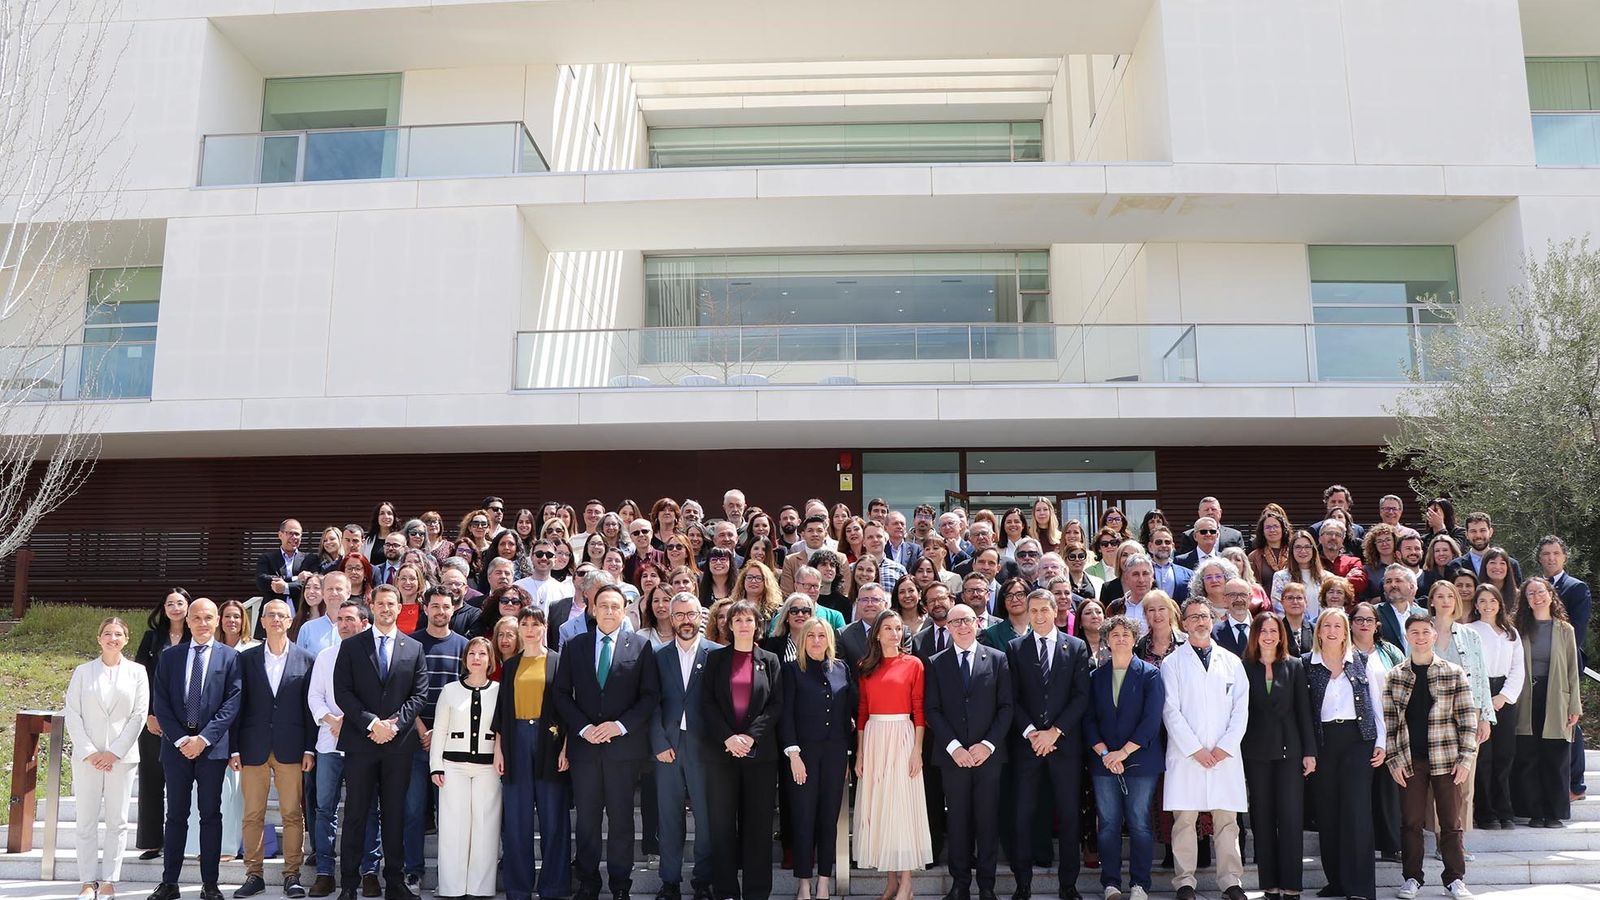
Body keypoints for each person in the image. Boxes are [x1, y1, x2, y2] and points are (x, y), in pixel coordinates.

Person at [553, 584, 662, 900]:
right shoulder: (575, 646)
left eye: (616, 606)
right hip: (585, 748)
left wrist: (620, 726)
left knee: (621, 820)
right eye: (604, 606)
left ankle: (620, 885)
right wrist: (584, 727)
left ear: (625, 610)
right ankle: (588, 882)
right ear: (593, 608)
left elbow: (650, 695)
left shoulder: (640, 647)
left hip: (623, 751)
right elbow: (561, 693)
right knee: (587, 820)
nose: (610, 611)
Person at [332, 584, 430, 900]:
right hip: (361, 742)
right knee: (357, 814)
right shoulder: (352, 646)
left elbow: (419, 694)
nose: (387, 608)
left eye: (392, 603)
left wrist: (395, 724)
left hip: (398, 745)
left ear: (400, 608)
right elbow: (342, 692)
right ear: (372, 606)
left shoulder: (413, 648)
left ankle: (395, 882)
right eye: (381, 603)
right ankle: (349, 884)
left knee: (394, 814)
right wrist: (372, 723)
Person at [147, 598, 243, 900]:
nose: (203, 623)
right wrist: (180, 740)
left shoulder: (230, 658)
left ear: (217, 621)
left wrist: (203, 739)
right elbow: (160, 701)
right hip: (176, 748)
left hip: (212, 749)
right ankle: (169, 883)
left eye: (208, 618)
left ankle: (210, 883)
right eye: (197, 618)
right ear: (187, 621)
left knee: (210, 814)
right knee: (175, 815)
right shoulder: (171, 656)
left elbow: (232, 703)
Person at [1383, 616, 1479, 900]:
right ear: (1407, 636)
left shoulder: (1453, 672)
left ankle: (1454, 880)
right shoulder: (1396, 675)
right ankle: (1412, 878)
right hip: (1410, 760)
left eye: (1426, 632)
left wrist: (1465, 758)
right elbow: (1389, 723)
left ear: (1434, 635)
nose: (1421, 637)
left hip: (1447, 757)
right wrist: (1394, 761)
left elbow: (1467, 719)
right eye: (1415, 632)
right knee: (1410, 822)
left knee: (1450, 822)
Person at [1160, 597, 1248, 900]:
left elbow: (1241, 710)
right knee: (1184, 821)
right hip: (1188, 756)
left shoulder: (1232, 662)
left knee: (1227, 821)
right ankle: (1184, 881)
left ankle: (1231, 882)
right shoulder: (1172, 663)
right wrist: (1196, 750)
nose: (1200, 621)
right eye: (1193, 617)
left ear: (1212, 621)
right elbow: (1170, 711)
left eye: (1204, 616)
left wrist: (1223, 748)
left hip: (1224, 756)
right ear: (1184, 624)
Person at [1006, 588, 1092, 900]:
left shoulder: (1076, 647)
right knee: (1023, 815)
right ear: (1027, 613)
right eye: (1034, 611)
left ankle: (1068, 885)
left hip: (1064, 746)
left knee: (1069, 816)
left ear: (1056, 611)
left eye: (1045, 609)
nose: (1040, 616)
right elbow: (1011, 698)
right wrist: (1032, 732)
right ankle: (1022, 883)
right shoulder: (1015, 649)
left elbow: (1081, 696)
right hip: (1027, 746)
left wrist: (1055, 732)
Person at [925, 601, 1012, 900]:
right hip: (953, 759)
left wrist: (987, 745)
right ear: (947, 628)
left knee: (987, 821)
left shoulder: (998, 659)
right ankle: (960, 883)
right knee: (959, 822)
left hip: (989, 757)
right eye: (955, 622)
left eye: (967, 620)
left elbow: (1006, 707)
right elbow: (932, 710)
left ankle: (987, 886)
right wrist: (954, 748)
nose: (962, 626)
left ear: (978, 623)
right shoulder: (935, 662)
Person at [231, 598, 317, 899]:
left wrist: (310, 748)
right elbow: (236, 706)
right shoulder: (246, 659)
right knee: (252, 814)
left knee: (292, 814)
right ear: (262, 621)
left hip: (292, 748)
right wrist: (233, 748)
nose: (277, 620)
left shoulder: (306, 659)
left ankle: (291, 874)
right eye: (271, 615)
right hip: (252, 747)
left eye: (282, 615)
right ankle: (253, 875)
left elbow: (309, 709)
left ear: (290, 621)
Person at [702, 600, 784, 900]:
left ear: (757, 624)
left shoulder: (770, 660)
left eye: (749, 619)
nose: (743, 625)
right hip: (722, 755)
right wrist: (729, 738)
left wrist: (750, 737)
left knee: (758, 826)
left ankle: (756, 892)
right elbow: (707, 703)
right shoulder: (716, 659)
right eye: (737, 620)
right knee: (722, 825)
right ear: (730, 625)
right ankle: (725, 890)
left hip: (760, 756)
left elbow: (776, 705)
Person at [65, 616, 150, 900]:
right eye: (107, 633)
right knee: (86, 820)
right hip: (87, 759)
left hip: (121, 758)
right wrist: (91, 752)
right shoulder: (82, 672)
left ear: (126, 639)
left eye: (118, 634)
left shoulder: (138, 672)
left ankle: (110, 880)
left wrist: (114, 752)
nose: (113, 639)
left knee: (118, 820)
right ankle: (87, 881)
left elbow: (139, 715)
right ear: (99, 638)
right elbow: (73, 714)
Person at [1305, 608, 1387, 900]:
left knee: (1356, 813)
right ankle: (1337, 882)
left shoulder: (1362, 660)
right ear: (1318, 631)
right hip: (1323, 743)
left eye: (1337, 625)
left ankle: (1360, 887)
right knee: (1328, 814)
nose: (1332, 630)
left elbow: (1376, 703)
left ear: (1346, 631)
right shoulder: (1307, 664)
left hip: (1358, 741)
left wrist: (1382, 741)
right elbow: (1304, 713)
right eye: (1326, 625)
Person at [854, 609, 933, 899]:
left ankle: (907, 883)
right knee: (881, 808)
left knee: (902, 808)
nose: (894, 634)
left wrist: (917, 750)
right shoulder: (865, 666)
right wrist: (861, 754)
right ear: (877, 633)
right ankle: (890, 882)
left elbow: (919, 708)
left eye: (898, 628)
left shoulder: (914, 664)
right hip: (874, 738)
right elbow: (862, 711)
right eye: (888, 628)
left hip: (903, 736)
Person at [1085, 615, 1164, 900]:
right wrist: (1106, 753)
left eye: (1126, 634)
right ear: (1107, 639)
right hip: (1103, 762)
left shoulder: (1150, 674)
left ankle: (1140, 884)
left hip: (1141, 761)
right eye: (1115, 634)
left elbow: (1151, 720)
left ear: (1135, 639)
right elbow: (1089, 720)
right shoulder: (1096, 677)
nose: (1120, 638)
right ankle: (1111, 884)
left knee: (1139, 822)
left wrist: (1123, 752)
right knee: (1107, 823)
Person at [497, 607, 571, 900]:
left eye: (535, 624)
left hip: (550, 742)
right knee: (516, 819)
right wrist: (498, 750)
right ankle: (518, 887)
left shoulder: (557, 661)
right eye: (524, 624)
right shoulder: (512, 665)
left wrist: (567, 747)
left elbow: (567, 709)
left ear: (545, 627)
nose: (529, 629)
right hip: (516, 741)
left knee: (554, 818)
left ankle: (553, 886)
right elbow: (501, 710)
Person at [1240, 612, 1315, 900]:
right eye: (1263, 631)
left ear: (1281, 635)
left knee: (1291, 817)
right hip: (1256, 753)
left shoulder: (1294, 666)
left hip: (1290, 752)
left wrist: (1309, 752)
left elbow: (1303, 712)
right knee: (1262, 817)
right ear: (1255, 636)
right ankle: (1269, 884)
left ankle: (1292, 885)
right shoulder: (1244, 667)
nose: (1269, 636)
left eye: (1274, 631)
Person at [652, 593, 721, 900]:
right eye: (679, 615)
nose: (685, 621)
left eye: (691, 614)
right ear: (670, 616)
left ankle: (703, 881)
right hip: (667, 746)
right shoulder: (657, 655)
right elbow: (649, 703)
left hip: (704, 747)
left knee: (706, 819)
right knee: (669, 819)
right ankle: (669, 881)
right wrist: (657, 742)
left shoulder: (717, 654)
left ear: (700, 617)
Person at [781, 617, 855, 900]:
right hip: (804, 755)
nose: (815, 641)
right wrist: (793, 753)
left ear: (829, 640)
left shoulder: (841, 669)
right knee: (803, 818)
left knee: (828, 819)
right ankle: (804, 883)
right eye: (810, 636)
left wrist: (847, 753)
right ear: (803, 640)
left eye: (821, 636)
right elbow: (786, 715)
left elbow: (846, 713)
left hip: (835, 755)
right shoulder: (791, 670)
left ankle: (824, 880)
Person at [306, 600, 373, 898]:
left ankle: (369, 871)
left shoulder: (373, 656)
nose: (344, 624)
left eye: (350, 619)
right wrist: (331, 718)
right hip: (329, 742)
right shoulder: (325, 656)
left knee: (369, 809)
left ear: (363, 622)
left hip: (363, 745)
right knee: (324, 809)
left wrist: (351, 721)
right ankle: (324, 871)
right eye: (340, 619)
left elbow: (374, 699)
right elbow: (315, 696)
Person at [428, 637, 502, 899]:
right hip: (454, 766)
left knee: (485, 826)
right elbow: (440, 731)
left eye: (482, 653)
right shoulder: (450, 690)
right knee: (453, 827)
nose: (477, 658)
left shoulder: (499, 690)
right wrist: (436, 766)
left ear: (490, 660)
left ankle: (481, 888)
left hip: (488, 767)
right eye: (472, 653)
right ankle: (452, 887)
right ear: (465, 659)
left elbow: (503, 730)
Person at [407, 588, 466, 889]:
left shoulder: (464, 646)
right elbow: (404, 691)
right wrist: (421, 729)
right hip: (416, 741)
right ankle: (413, 871)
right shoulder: (411, 643)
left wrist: (440, 733)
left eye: (446, 606)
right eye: (435, 606)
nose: (441, 611)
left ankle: (451, 873)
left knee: (450, 813)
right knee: (414, 810)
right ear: (425, 609)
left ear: (454, 609)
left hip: (451, 742)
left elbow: (467, 695)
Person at [1514, 576, 1583, 828]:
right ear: (1525, 600)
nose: (1536, 597)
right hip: (1525, 697)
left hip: (1557, 697)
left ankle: (1554, 813)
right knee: (1528, 755)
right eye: (1530, 593)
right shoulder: (1518, 628)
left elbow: (1572, 670)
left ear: (1551, 595)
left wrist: (1574, 704)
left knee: (1555, 756)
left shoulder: (1565, 629)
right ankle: (1534, 812)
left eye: (1540, 592)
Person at [134, 589, 190, 861]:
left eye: (181, 603)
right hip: (154, 721)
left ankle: (184, 841)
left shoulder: (197, 636)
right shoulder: (152, 638)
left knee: (181, 783)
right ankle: (152, 841)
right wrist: (148, 714)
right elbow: (139, 678)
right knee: (152, 780)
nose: (176, 608)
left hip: (187, 724)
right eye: (170, 603)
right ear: (163, 608)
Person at [1536, 536, 1591, 801]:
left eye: (1555, 553)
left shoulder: (1576, 588)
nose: (1550, 558)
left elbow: (1577, 634)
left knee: (1571, 722)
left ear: (1564, 557)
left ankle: (1576, 785)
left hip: (1566, 666)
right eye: (1545, 554)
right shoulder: (1535, 589)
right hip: (1538, 669)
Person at [1464, 584, 1520, 830]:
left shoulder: (1511, 633)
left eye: (1493, 600)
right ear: (1476, 605)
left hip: (1504, 696)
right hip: (1479, 692)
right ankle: (1485, 812)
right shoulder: (1468, 630)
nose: (1488, 605)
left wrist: (1503, 696)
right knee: (1483, 756)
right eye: (1482, 601)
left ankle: (1504, 809)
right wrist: (1486, 699)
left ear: (1500, 603)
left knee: (1505, 754)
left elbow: (1519, 669)